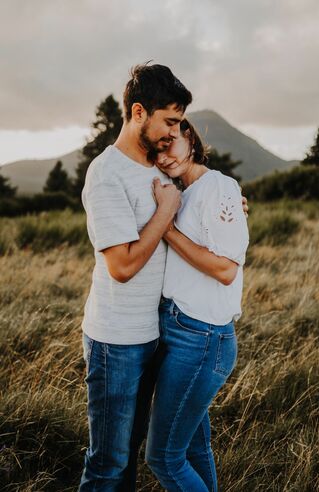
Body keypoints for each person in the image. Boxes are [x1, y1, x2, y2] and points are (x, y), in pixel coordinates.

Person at [79, 63, 192, 491]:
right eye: (170, 121)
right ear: (139, 112)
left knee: (128, 460)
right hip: (116, 342)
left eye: (178, 123)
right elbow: (122, 266)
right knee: (108, 463)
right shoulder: (106, 173)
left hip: (155, 334)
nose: (173, 132)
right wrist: (166, 212)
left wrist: (228, 209)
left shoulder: (159, 167)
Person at [145, 119, 249, 491]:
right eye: (155, 149)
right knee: (190, 446)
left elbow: (224, 269)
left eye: (169, 142)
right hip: (181, 331)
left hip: (202, 338)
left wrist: (167, 227)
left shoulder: (219, 187)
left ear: (190, 136)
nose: (163, 155)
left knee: (163, 458)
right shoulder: (183, 193)